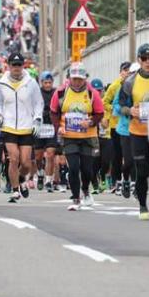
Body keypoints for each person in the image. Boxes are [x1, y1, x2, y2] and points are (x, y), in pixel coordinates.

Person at [119, 43, 149, 220]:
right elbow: (121, 106)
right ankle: (142, 206)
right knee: (142, 170)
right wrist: (130, 111)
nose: (148, 62)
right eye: (144, 59)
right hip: (137, 132)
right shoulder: (130, 81)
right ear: (139, 60)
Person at [52, 63, 104, 210]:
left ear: (85, 79)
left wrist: (92, 121)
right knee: (73, 168)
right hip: (69, 136)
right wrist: (59, 127)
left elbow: (100, 113)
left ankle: (86, 190)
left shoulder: (92, 93)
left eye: (80, 79)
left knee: (87, 169)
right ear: (69, 78)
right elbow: (53, 112)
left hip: (88, 136)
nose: (77, 82)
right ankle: (76, 198)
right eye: (74, 79)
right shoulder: (61, 92)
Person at [0, 52, 44, 203]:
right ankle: (15, 190)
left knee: (26, 163)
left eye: (19, 65)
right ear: (9, 66)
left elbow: (38, 103)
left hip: (26, 126)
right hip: (8, 126)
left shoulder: (31, 82)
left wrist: (37, 119)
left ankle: (21, 179)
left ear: (23, 66)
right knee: (14, 158)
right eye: (13, 65)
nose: (16, 68)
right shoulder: (0, 83)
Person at [102, 62, 132, 194]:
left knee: (128, 155)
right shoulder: (115, 86)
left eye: (129, 70)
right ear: (120, 72)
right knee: (117, 155)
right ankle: (116, 181)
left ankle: (129, 181)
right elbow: (105, 102)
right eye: (124, 70)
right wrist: (114, 110)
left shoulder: (133, 84)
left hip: (129, 125)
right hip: (115, 125)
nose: (126, 72)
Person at [35, 71, 60, 193]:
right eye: (46, 82)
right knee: (38, 156)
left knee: (50, 154)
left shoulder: (56, 93)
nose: (48, 85)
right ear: (41, 83)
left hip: (51, 127)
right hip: (39, 127)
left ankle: (48, 181)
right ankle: (40, 173)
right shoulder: (37, 93)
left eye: (50, 82)